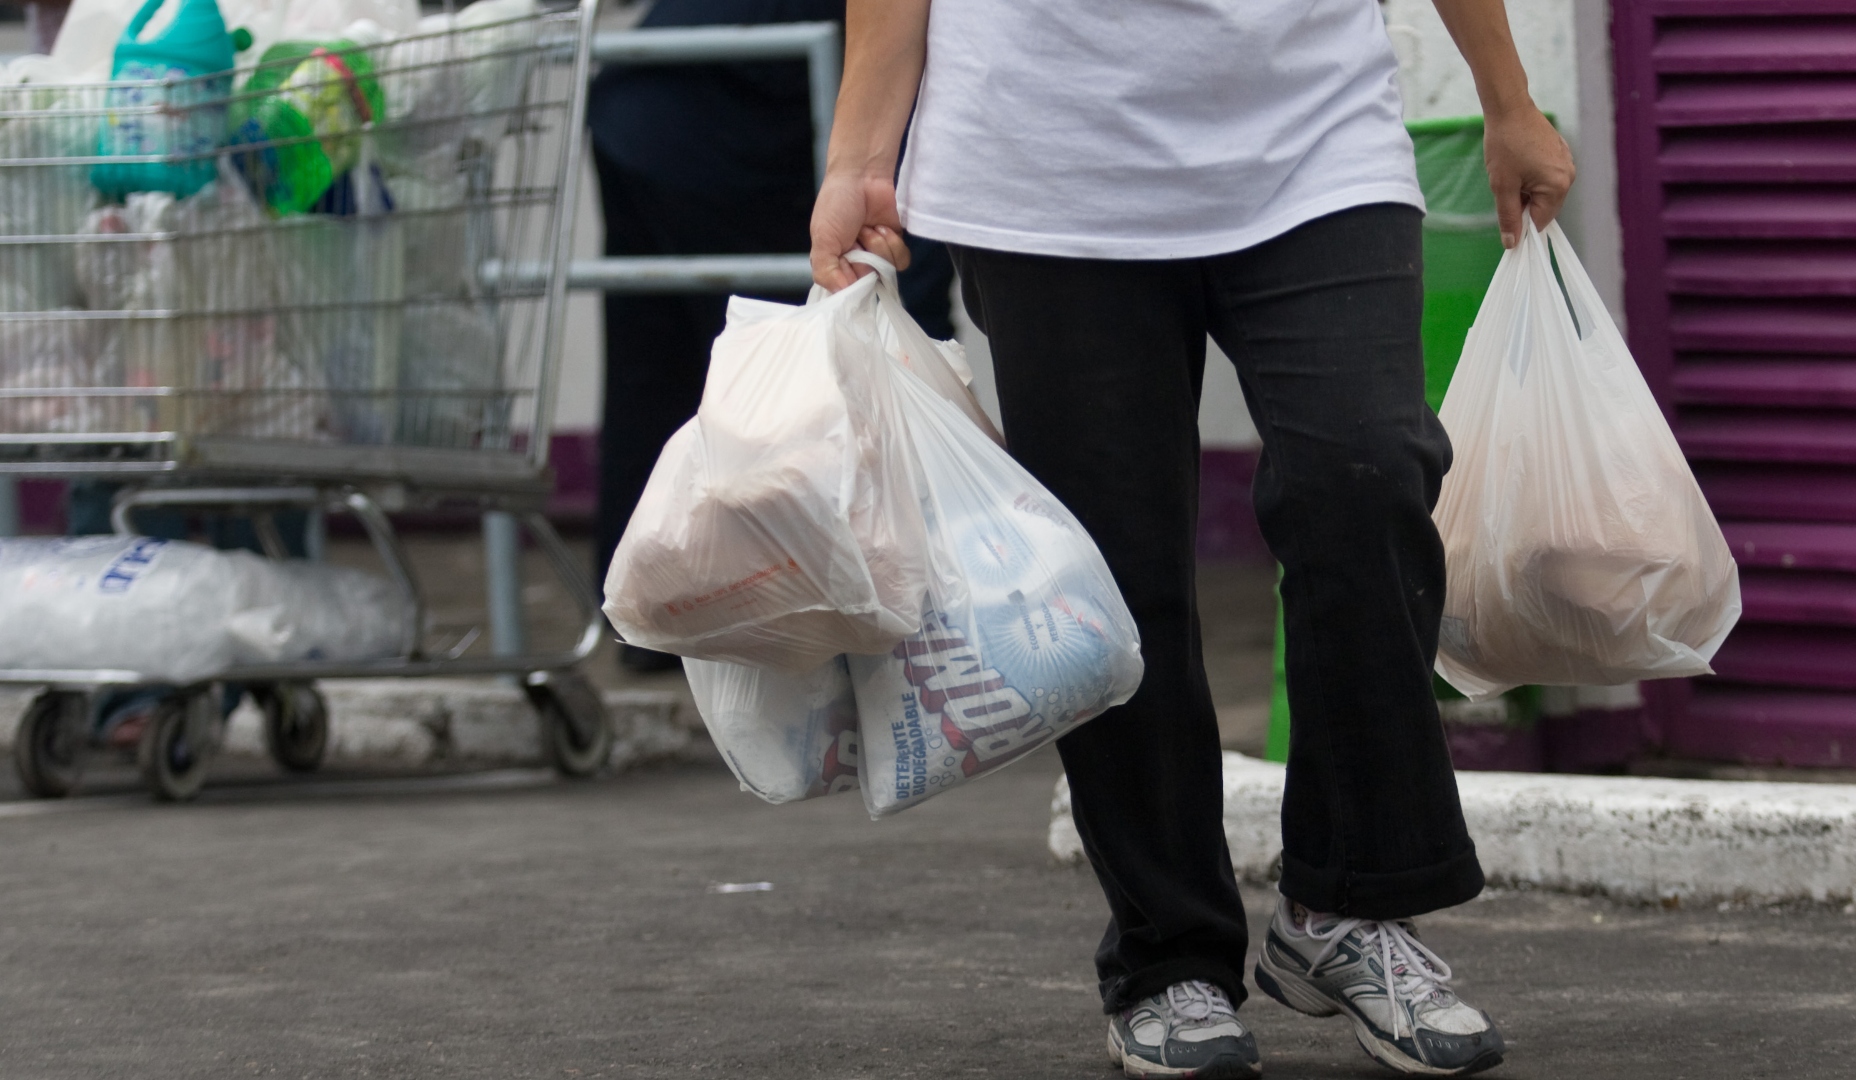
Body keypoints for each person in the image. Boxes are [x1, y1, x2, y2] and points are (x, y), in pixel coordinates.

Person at [809, 2, 1573, 1077]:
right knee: (1115, 571)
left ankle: (1349, 908)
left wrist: (1507, 97)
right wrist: (858, 156)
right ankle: (1169, 960)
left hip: (1314, 132)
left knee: (1367, 471)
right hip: (1045, 157)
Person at [587, 0, 953, 672]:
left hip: (641, 101)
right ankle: (796, 619)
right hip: (718, 118)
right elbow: (904, 231)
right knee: (777, 390)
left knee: (662, 370)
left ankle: (649, 625)